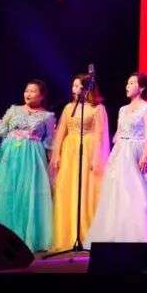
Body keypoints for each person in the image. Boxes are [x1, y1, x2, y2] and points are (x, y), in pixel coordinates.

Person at [85, 73, 147, 246]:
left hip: (138, 152)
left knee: (141, 194)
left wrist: (146, 154)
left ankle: (144, 234)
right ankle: (119, 235)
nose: (127, 86)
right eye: (127, 83)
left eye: (132, 83)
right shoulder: (122, 109)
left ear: (141, 88)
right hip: (121, 153)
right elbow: (119, 133)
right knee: (119, 193)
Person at [0, 80, 57, 251]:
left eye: (33, 91)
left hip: (32, 157)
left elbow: (49, 141)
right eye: (26, 90)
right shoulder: (14, 109)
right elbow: (2, 127)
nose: (28, 94)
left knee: (27, 193)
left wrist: (53, 161)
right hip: (9, 155)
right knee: (4, 190)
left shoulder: (47, 116)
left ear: (42, 96)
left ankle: (23, 238)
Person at [48, 74, 110, 250]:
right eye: (73, 86)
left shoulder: (98, 108)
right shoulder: (69, 108)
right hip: (69, 151)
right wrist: (56, 155)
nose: (74, 89)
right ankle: (67, 235)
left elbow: (100, 136)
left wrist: (97, 158)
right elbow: (61, 133)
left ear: (86, 88)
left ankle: (86, 233)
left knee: (85, 190)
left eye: (77, 86)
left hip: (88, 150)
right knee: (68, 189)